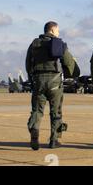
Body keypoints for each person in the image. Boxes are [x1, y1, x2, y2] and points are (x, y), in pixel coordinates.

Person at [26, 21, 79, 150]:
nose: (58, 33)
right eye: (57, 30)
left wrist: (31, 79)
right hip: (55, 81)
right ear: (52, 30)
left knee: (37, 110)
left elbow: (28, 63)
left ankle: (34, 128)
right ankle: (54, 140)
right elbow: (68, 61)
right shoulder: (59, 43)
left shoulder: (34, 44)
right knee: (56, 111)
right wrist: (73, 74)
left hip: (38, 80)